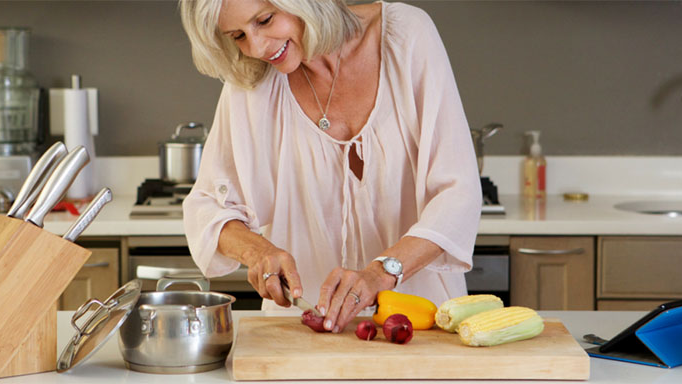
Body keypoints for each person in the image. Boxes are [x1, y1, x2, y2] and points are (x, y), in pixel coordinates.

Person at [180, 0, 481, 334]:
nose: (256, 47)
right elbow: (206, 206)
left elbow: (458, 192)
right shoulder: (250, 79)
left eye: (265, 20)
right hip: (299, 331)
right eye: (238, 35)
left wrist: (381, 273)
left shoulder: (407, 35)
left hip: (421, 324)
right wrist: (257, 252)